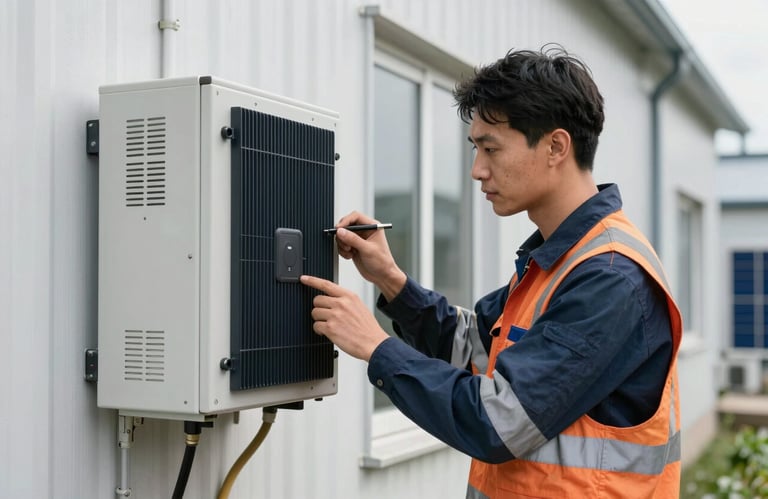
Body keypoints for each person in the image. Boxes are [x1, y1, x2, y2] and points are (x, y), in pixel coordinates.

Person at [300, 46, 682, 498]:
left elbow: (498, 423)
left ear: (556, 146)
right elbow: (475, 347)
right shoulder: (559, 262)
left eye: (490, 148)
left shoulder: (610, 278)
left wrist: (376, 347)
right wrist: (391, 281)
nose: (477, 170)